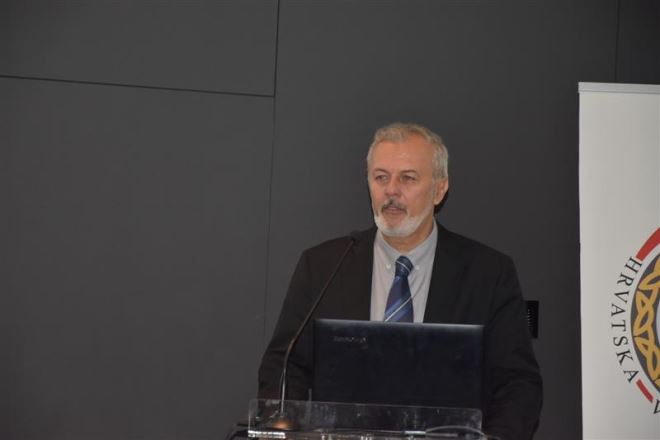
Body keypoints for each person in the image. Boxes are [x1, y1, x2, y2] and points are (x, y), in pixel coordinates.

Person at [258, 122, 542, 440]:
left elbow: (517, 384)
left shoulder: (487, 273)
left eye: (408, 178)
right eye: (381, 177)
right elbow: (284, 367)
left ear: (439, 189)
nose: (391, 190)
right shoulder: (324, 266)